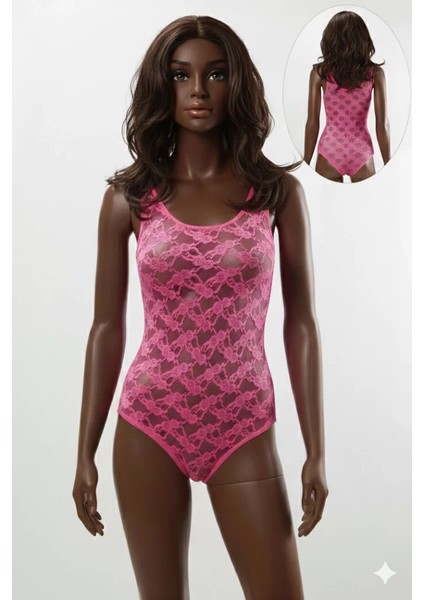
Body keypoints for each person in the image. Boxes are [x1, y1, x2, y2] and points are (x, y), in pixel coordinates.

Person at [72, 15, 328, 600]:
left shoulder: (277, 194)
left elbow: (302, 323)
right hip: (149, 421)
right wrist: (84, 451)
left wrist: (317, 451)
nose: (197, 91)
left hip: (244, 423)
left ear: (235, 83)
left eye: (214, 75)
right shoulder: (129, 200)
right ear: (161, 86)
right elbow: (106, 327)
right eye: (180, 75)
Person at [303, 10, 391, 183]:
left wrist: (306, 161)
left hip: (330, 150)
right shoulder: (375, 73)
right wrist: (389, 163)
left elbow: (312, 121)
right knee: (368, 200)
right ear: (363, 39)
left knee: (327, 200)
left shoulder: (319, 73)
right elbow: (382, 123)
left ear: (330, 39)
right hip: (361, 151)